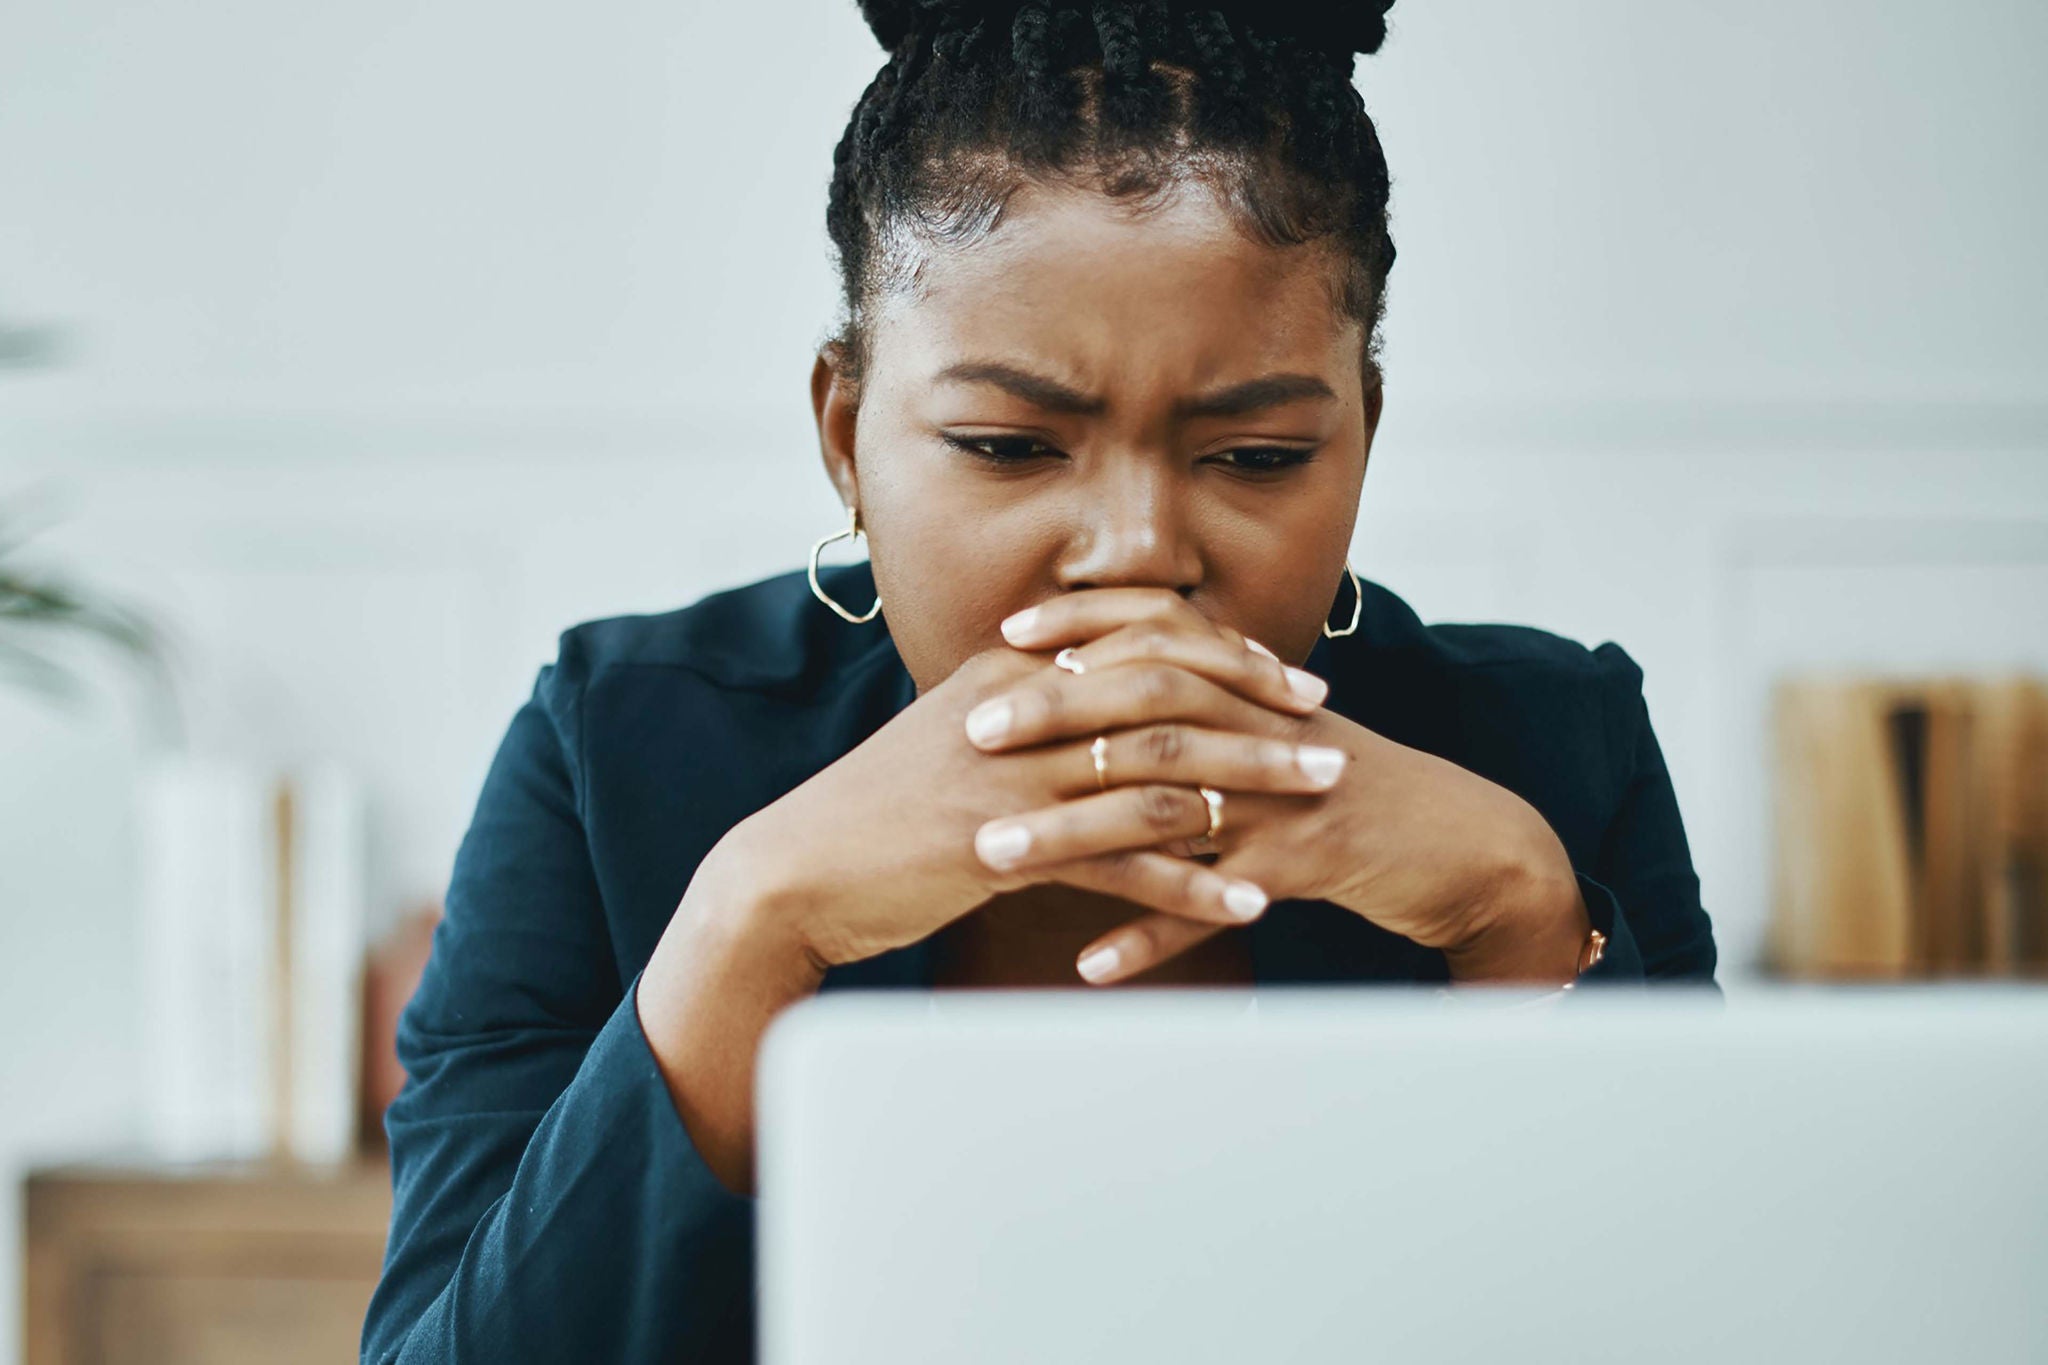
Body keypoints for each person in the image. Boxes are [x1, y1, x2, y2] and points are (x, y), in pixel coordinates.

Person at [361, 1, 1718, 1360]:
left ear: (1361, 434)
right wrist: (751, 924)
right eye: (1010, 446)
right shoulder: (615, 749)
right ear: (847, 433)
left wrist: (1517, 918)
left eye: (1255, 455)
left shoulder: (1553, 749)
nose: (1138, 554)